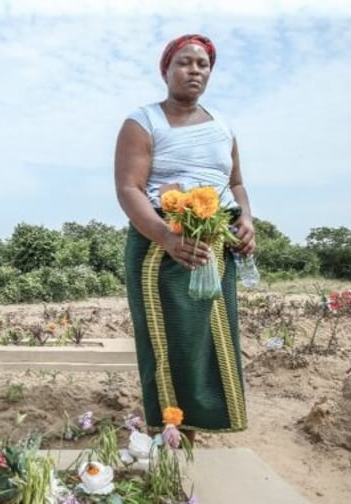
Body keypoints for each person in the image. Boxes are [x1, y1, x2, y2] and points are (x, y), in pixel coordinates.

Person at [114, 34, 256, 443]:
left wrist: (246, 220)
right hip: (162, 244)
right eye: (184, 63)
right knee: (170, 336)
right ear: (166, 70)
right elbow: (129, 190)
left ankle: (201, 425)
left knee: (210, 339)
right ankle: (171, 431)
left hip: (216, 241)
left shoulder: (223, 127)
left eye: (202, 64)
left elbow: (237, 183)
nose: (194, 70)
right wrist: (166, 237)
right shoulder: (143, 122)